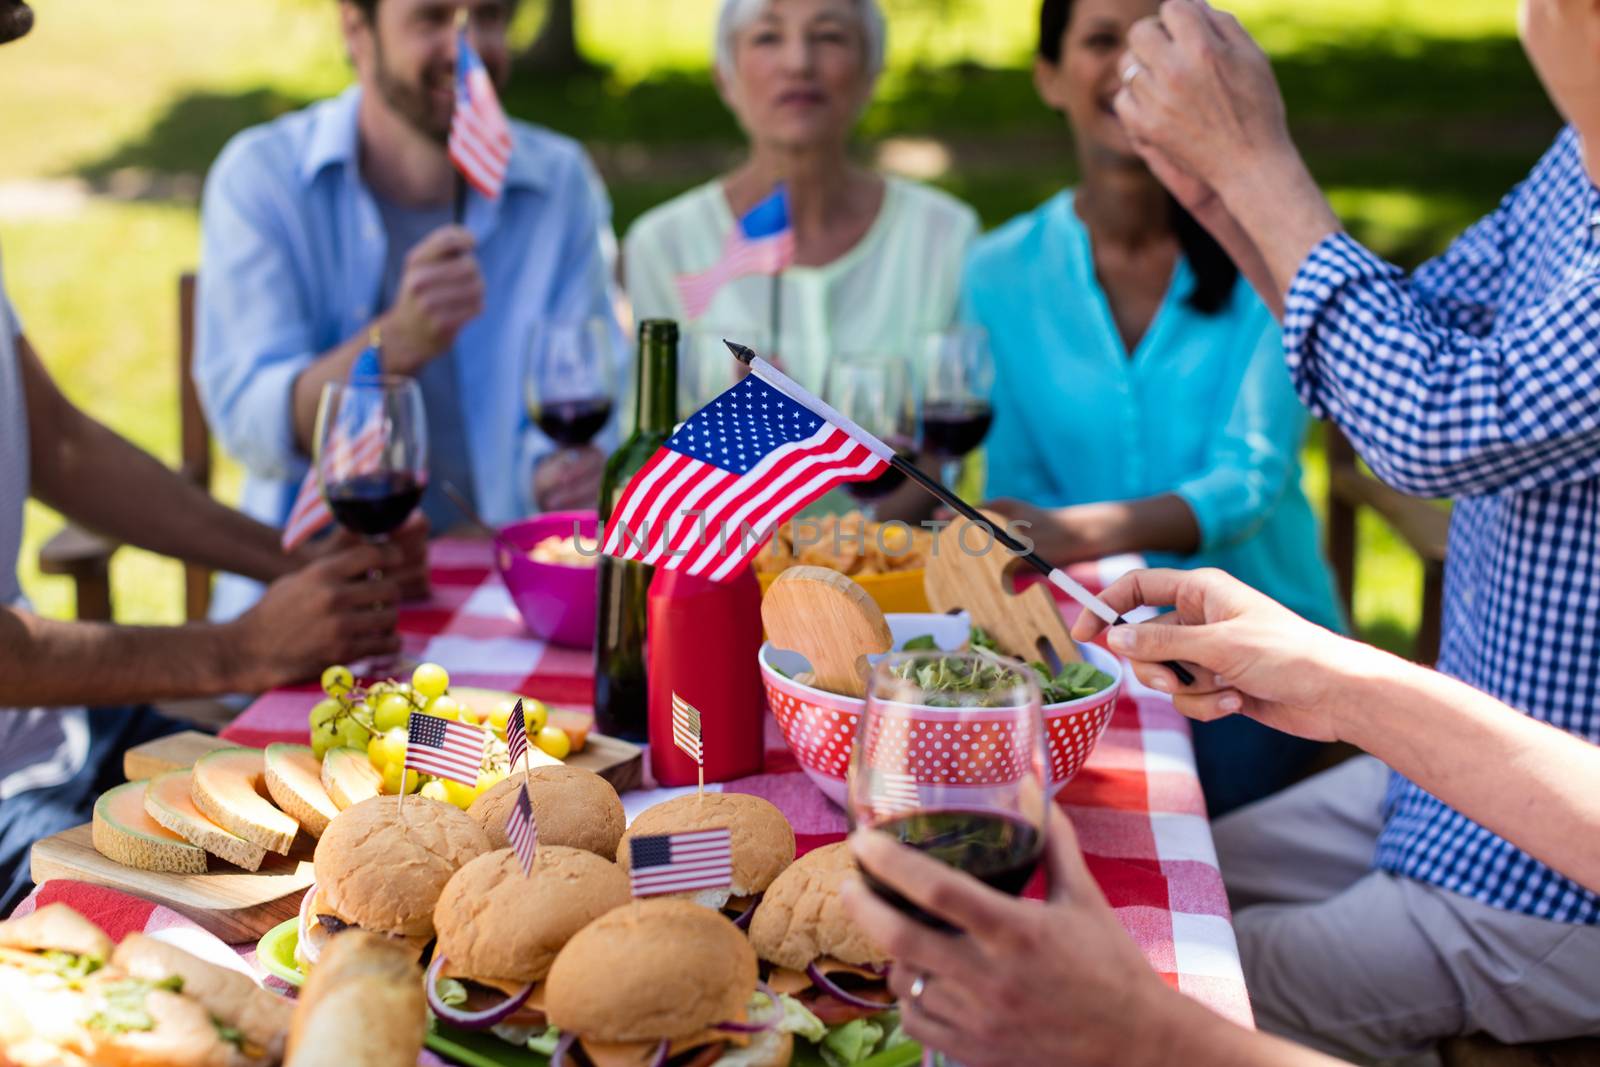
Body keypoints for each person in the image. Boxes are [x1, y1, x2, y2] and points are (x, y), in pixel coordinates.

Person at [1101, 0, 1600, 1055]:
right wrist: (1222, 196)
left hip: (1552, 885)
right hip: (1444, 776)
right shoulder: (1578, 155)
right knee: (1119, 879)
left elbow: (1430, 426)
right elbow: (1408, 337)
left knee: (1118, 981)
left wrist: (1255, 161)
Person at [0, 0, 427, 917]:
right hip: (10, 805)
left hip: (62, 736)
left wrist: (290, 561)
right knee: (287, 936)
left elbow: (61, 445)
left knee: (393, 830)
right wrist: (237, 645)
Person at [844, 567, 1600, 1067]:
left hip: (1540, 914)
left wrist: (1149, 1031)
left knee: (1175, 959)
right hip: (1436, 805)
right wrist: (1331, 681)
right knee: (1170, 890)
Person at [966, 0, 1342, 815]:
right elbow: (1020, 477)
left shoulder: (1271, 250)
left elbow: (1250, 480)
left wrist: (1074, 531)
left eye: (1156, 39)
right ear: (1048, 76)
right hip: (1085, 648)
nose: (1131, 62)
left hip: (1263, 660)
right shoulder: (998, 270)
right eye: (1102, 39)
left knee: (1168, 844)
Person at [196, 0, 620, 620]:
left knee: (543, 723)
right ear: (356, 30)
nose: (466, 47)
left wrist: (552, 477)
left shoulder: (560, 183)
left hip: (508, 596)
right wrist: (395, 341)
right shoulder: (262, 178)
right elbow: (249, 423)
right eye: (431, 17)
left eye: (491, 16)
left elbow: (594, 379)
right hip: (317, 597)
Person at [623, 0, 980, 397]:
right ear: (725, 77)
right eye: (768, 37)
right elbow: (646, 440)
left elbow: (965, 432)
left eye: (829, 36)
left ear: (872, 73)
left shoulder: (945, 235)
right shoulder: (662, 245)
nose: (798, 63)